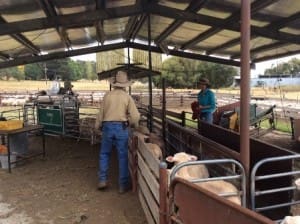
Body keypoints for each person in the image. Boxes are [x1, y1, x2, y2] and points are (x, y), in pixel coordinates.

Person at [95, 71, 140, 193]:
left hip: (107, 127)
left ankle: (102, 180)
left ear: (114, 84)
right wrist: (131, 123)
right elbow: (135, 117)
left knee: (104, 153)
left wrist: (97, 126)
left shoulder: (107, 96)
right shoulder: (127, 97)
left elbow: (101, 113)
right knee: (123, 155)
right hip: (121, 128)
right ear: (125, 85)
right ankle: (122, 185)